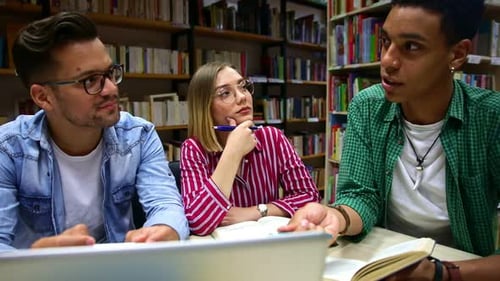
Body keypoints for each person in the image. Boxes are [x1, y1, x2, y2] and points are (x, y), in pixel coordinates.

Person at [280, 0, 500, 280]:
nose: (387, 60)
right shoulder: (367, 107)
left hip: (460, 268)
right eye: (385, 41)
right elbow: (361, 196)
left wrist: (441, 274)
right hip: (380, 261)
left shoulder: (491, 118)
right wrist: (336, 217)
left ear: (457, 54)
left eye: (411, 47)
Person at [0, 11, 189, 250]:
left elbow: (165, 204)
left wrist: (165, 230)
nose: (110, 89)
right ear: (43, 97)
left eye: (110, 73)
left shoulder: (138, 136)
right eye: (90, 80)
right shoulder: (8, 149)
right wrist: (34, 259)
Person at [181, 61, 320, 236]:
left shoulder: (272, 138)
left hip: (267, 245)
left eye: (243, 87)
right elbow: (197, 221)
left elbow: (310, 198)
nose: (242, 97)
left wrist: (255, 212)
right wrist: (233, 152)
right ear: (205, 106)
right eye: (225, 93)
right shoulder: (193, 149)